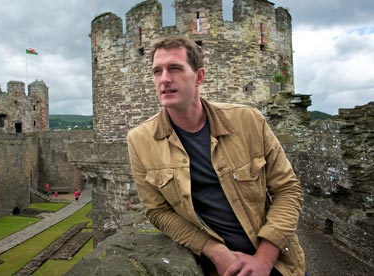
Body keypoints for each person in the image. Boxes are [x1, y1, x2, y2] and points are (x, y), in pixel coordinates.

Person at [127, 36, 305, 276]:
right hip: (216, 268)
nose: (164, 79)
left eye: (175, 69)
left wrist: (264, 258)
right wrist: (212, 250)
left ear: (199, 77)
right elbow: (157, 211)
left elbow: (288, 189)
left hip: (279, 264)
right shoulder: (140, 140)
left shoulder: (248, 121)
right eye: (157, 72)